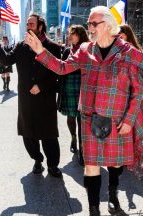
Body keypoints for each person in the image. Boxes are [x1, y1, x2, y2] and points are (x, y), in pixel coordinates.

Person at [25, 6, 143, 216]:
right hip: (90, 119)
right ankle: (94, 210)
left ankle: (112, 195)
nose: (89, 27)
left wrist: (129, 120)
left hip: (117, 121)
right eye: (88, 23)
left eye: (93, 23)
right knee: (91, 166)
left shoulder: (131, 54)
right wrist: (40, 51)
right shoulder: (84, 50)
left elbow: (138, 92)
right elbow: (62, 67)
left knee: (115, 166)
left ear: (108, 26)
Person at [0, 14, 62, 178]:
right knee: (28, 135)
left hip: (45, 99)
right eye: (27, 24)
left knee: (49, 136)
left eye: (32, 24)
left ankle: (53, 165)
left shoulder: (53, 47)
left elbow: (58, 75)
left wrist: (41, 86)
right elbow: (5, 60)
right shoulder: (20, 46)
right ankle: (37, 161)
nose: (28, 26)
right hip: (26, 101)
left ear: (40, 27)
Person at [118, 24, 143, 179]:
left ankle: (135, 157)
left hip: (135, 95)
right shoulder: (117, 50)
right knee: (123, 126)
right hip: (121, 95)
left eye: (121, 34)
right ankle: (125, 156)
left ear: (127, 34)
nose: (119, 36)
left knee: (134, 125)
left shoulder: (135, 51)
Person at [58, 25, 90, 166]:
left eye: (73, 34)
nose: (70, 36)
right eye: (70, 34)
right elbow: (61, 68)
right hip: (69, 87)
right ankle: (73, 137)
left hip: (83, 87)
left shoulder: (88, 49)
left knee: (82, 120)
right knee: (71, 117)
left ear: (80, 35)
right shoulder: (66, 51)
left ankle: (83, 151)